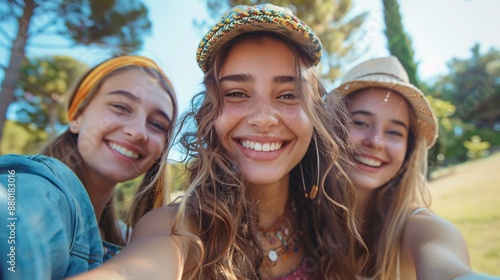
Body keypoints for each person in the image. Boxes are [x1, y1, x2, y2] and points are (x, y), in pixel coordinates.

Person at [71, 4, 361, 279]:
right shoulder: (178, 228)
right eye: (236, 93)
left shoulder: (337, 220)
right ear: (208, 115)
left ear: (315, 116)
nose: (263, 118)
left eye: (288, 94)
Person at [0, 55, 178, 279]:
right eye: (121, 107)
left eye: (156, 124)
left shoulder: (133, 238)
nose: (139, 131)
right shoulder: (39, 188)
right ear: (76, 116)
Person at [333, 56, 497, 280]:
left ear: (408, 149)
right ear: (331, 128)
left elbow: (449, 269)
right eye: (360, 122)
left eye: (394, 132)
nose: (377, 141)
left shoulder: (420, 228)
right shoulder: (301, 214)